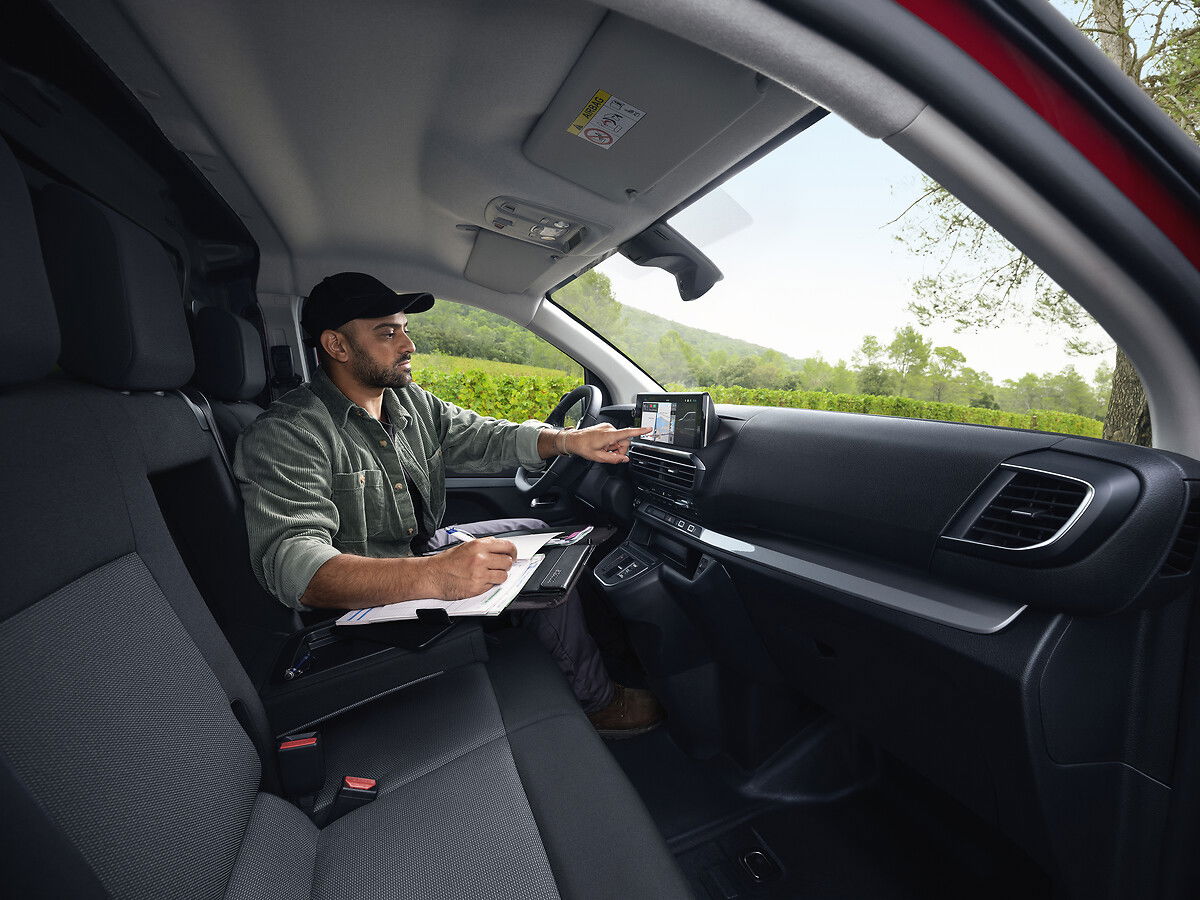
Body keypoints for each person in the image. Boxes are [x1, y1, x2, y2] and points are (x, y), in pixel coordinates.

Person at [234, 272, 663, 736]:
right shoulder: (288, 434)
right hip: (364, 602)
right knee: (541, 580)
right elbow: (297, 568)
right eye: (387, 332)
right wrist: (436, 575)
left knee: (544, 539)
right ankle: (596, 702)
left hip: (419, 547)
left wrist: (569, 440)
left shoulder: (408, 402)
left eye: (404, 328)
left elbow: (482, 436)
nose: (408, 344)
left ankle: (595, 664)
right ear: (337, 345)